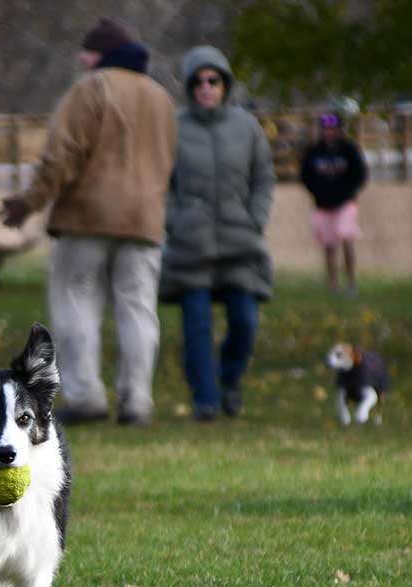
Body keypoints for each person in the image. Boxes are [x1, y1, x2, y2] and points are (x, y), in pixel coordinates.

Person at [0, 17, 176, 426]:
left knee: (75, 302)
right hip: (145, 222)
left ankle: (84, 396)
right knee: (138, 309)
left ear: (99, 54)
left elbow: (61, 155)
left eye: (86, 52)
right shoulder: (161, 98)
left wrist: (29, 202)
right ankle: (137, 401)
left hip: (87, 219)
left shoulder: (92, 88)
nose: (81, 60)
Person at [159, 46, 275, 422]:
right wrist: (175, 219)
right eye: (198, 82)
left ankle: (229, 379)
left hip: (240, 241)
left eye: (214, 80)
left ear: (225, 84)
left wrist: (254, 217)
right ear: (190, 88)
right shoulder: (173, 128)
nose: (206, 88)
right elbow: (161, 183)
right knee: (197, 324)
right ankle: (205, 399)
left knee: (244, 320)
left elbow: (263, 179)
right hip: (190, 245)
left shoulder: (247, 128)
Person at [300, 112, 368, 295]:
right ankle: (333, 285)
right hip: (323, 205)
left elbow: (360, 174)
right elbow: (305, 176)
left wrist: (349, 192)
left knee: (346, 238)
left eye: (332, 129)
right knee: (329, 245)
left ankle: (351, 283)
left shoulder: (349, 150)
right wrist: (317, 192)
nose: (329, 132)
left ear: (339, 130)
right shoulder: (314, 152)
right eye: (325, 129)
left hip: (345, 203)